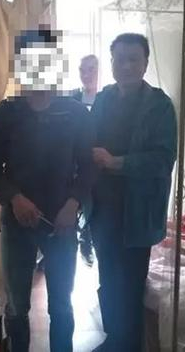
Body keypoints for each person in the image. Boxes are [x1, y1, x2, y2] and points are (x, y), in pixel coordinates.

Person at [0, 28, 95, 352]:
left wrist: (73, 204)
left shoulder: (75, 113)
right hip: (18, 220)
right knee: (17, 306)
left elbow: (89, 166)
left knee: (61, 305)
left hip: (61, 221)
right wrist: (14, 198)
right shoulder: (5, 114)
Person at [89, 33, 178, 352]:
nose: (125, 66)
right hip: (102, 209)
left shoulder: (159, 106)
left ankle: (130, 345)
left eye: (133, 59)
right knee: (107, 279)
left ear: (145, 63)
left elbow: (163, 160)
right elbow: (87, 142)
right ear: (111, 62)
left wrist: (117, 162)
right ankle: (114, 339)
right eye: (119, 59)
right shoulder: (103, 99)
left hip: (138, 211)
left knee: (131, 283)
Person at [72, 54, 99, 266]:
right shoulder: (72, 98)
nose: (86, 74)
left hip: (98, 162)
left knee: (92, 205)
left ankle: (86, 241)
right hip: (73, 162)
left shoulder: (106, 100)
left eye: (91, 69)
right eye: (82, 70)